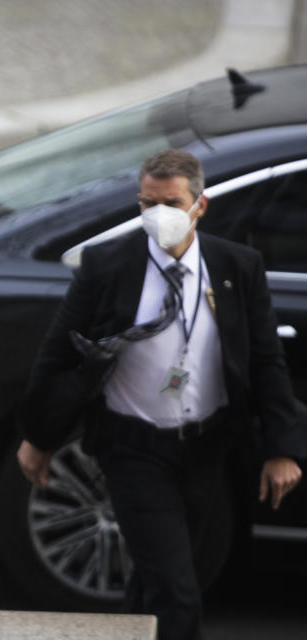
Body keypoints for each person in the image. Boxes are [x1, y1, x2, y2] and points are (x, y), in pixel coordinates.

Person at [17, 149, 305, 640]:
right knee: (177, 591)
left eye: (171, 203)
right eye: (148, 203)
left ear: (200, 205)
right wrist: (38, 437)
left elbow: (264, 360)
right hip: (131, 446)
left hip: (205, 445)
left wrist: (282, 448)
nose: (158, 215)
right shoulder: (108, 265)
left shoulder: (237, 267)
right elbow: (58, 353)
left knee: (155, 579)